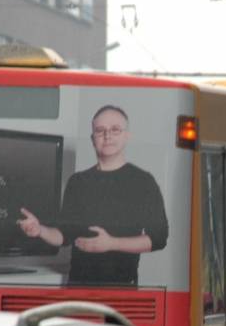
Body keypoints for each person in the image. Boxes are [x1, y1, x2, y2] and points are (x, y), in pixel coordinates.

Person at [18, 105, 168, 285]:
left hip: (122, 291)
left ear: (127, 136)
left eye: (115, 129)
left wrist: (112, 243)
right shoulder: (77, 182)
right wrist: (39, 230)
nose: (107, 135)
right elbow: (64, 236)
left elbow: (158, 239)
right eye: (100, 130)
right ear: (92, 139)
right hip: (78, 288)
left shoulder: (143, 182)